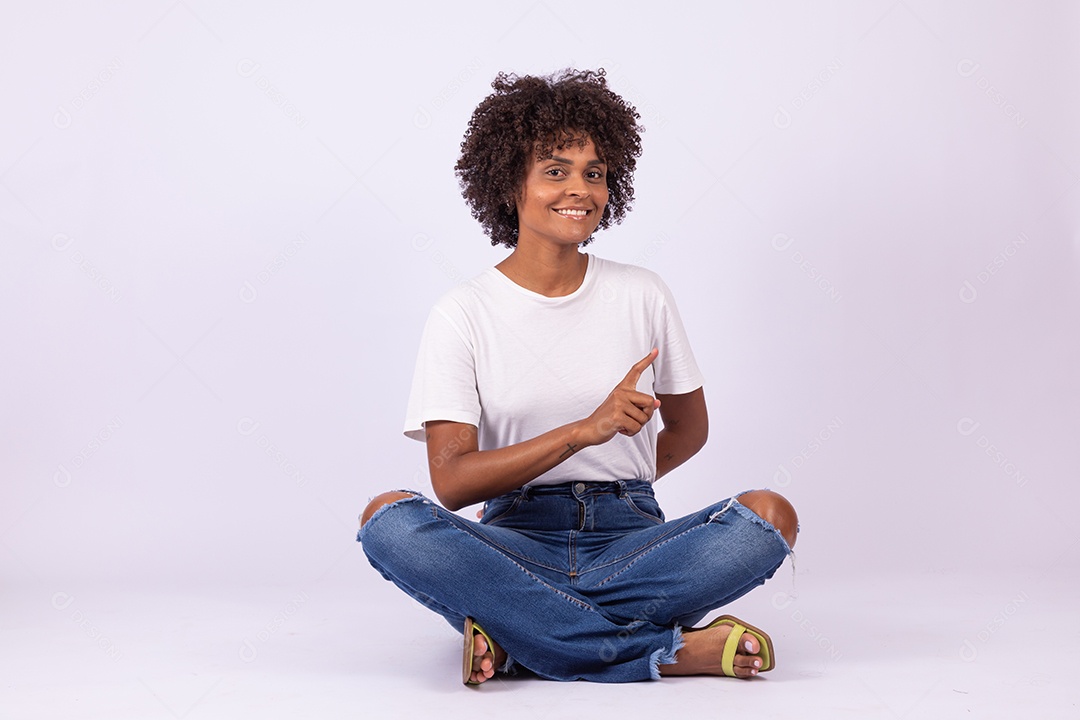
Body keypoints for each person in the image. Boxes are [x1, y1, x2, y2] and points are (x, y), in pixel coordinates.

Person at [358, 68, 798, 685]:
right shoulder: (463, 313)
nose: (580, 189)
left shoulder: (642, 293)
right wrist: (583, 434)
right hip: (513, 541)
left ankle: (519, 633)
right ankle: (664, 652)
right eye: (556, 170)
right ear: (511, 182)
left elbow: (690, 430)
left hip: (633, 541)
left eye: (594, 172)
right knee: (388, 519)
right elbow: (452, 483)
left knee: (768, 516)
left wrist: (619, 472)